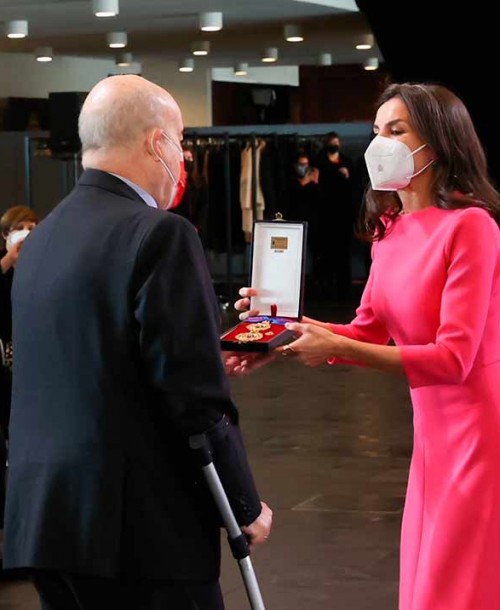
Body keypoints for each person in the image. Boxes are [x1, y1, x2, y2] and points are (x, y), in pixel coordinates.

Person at [3, 75, 272, 610]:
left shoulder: (41, 240)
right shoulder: (160, 233)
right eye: (179, 140)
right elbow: (194, 400)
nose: (181, 155)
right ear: (156, 141)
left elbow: (89, 355)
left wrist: (201, 347)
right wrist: (243, 504)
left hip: (46, 522)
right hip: (138, 531)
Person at [232, 82, 500, 609]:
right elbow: (367, 328)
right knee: (426, 583)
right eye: (377, 131)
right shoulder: (390, 230)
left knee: (457, 585)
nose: (380, 143)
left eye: (396, 131)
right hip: (434, 435)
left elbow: (453, 359)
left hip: (477, 432)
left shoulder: (472, 227)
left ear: (439, 143)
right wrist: (276, 334)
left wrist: (333, 345)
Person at [0, 205, 38, 538]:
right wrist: (10, 258)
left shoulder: (41, 264)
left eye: (33, 226)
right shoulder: (7, 266)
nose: (28, 232)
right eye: (21, 227)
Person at [315, 132, 354, 301]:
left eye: (337, 143)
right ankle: (326, 291)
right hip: (324, 215)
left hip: (343, 215)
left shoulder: (346, 162)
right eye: (332, 143)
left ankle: (343, 291)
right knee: (325, 255)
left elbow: (353, 189)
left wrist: (347, 176)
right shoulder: (318, 162)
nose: (335, 146)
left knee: (343, 255)